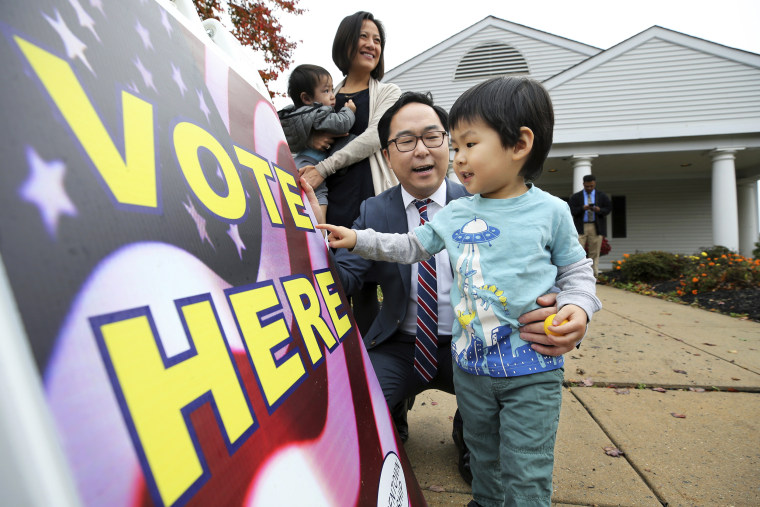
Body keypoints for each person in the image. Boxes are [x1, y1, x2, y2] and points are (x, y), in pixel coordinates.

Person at [312, 81, 602, 505]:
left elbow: (576, 271)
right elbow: (410, 245)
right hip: (463, 362)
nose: (456, 156)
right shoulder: (450, 212)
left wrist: (577, 307)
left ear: (519, 144)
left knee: (526, 465)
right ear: (388, 153)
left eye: (460, 143)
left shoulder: (550, 211)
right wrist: (355, 239)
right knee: (485, 456)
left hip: (528, 367)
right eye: (407, 140)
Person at [299, 11, 401, 335]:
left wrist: (324, 166)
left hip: (371, 198)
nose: (372, 44)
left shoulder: (388, 93)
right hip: (332, 200)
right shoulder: (325, 92)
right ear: (346, 41)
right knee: (334, 283)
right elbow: (302, 132)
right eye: (364, 36)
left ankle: (376, 372)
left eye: (378, 40)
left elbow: (375, 137)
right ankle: (340, 365)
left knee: (369, 286)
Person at [278, 64, 357, 219]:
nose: (333, 95)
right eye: (326, 91)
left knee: (315, 194)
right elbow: (342, 123)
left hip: (304, 161)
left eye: (332, 89)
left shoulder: (296, 114)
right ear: (306, 98)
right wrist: (349, 111)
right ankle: (319, 234)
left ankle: (316, 232)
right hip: (308, 162)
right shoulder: (317, 113)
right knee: (317, 194)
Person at [569, 174, 611, 277]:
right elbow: (571, 210)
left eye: (591, 186)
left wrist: (599, 210)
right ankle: (578, 274)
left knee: (594, 252)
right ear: (583, 184)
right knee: (578, 252)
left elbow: (608, 209)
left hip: (595, 227)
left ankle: (593, 275)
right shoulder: (576, 197)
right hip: (580, 227)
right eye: (587, 186)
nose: (589, 188)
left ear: (594, 184)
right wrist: (582, 208)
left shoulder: (601, 196)